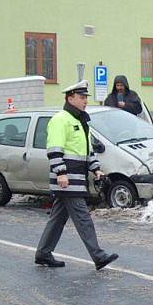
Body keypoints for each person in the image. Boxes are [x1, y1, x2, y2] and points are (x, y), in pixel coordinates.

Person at [35, 80, 118, 270]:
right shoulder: (60, 119)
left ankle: (43, 253)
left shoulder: (80, 121)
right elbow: (54, 150)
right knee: (83, 218)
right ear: (70, 98)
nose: (85, 101)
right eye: (81, 97)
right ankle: (98, 256)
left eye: (85, 97)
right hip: (67, 181)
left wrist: (96, 169)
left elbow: (87, 152)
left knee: (57, 219)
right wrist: (61, 173)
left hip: (76, 180)